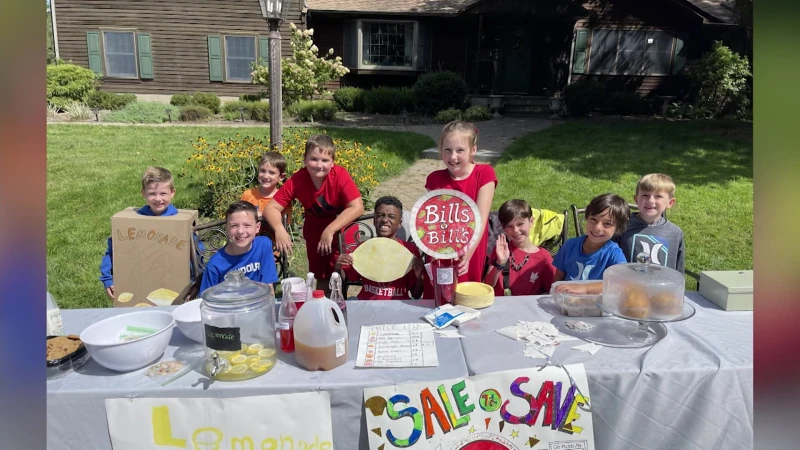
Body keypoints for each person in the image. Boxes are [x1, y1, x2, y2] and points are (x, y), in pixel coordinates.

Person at [265, 134, 364, 292]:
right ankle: (323, 309)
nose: (319, 165)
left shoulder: (340, 175)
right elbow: (271, 208)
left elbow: (357, 207)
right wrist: (279, 229)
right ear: (305, 159)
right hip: (316, 236)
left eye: (325, 160)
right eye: (314, 159)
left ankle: (342, 306)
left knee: (343, 276)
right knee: (322, 278)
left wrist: (330, 229)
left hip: (343, 233)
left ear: (332, 162)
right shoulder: (298, 179)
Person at [99, 166, 190, 299]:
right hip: (138, 283)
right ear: (143, 193)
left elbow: (195, 252)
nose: (158, 199)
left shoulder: (182, 224)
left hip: (174, 287)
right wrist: (108, 279)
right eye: (152, 193)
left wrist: (194, 280)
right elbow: (114, 251)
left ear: (172, 193)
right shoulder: (132, 223)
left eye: (163, 193)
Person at [424, 121, 497, 284]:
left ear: (473, 151)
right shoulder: (434, 179)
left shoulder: (484, 174)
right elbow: (431, 221)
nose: (453, 157)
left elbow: (481, 218)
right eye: (447, 150)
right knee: (439, 295)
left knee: (466, 296)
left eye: (460, 150)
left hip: (471, 248)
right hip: (440, 250)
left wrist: (467, 253)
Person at [334, 196, 424, 300]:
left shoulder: (409, 251)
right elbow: (348, 279)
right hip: (366, 304)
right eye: (380, 215)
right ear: (374, 220)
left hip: (399, 306)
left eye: (392, 216)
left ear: (400, 223)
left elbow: (416, 295)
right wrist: (338, 267)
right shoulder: (363, 248)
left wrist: (419, 276)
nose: (385, 220)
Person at [553, 193, 629, 295]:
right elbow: (558, 278)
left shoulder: (614, 254)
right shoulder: (569, 246)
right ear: (587, 218)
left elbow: (621, 283)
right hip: (566, 303)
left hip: (596, 307)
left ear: (618, 228)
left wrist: (585, 288)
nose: (597, 227)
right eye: (593, 220)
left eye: (607, 223)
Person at [199, 201, 278, 296]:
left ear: (257, 227)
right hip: (229, 308)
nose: (240, 231)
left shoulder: (263, 245)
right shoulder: (215, 265)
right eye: (234, 226)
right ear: (227, 228)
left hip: (259, 305)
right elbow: (206, 299)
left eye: (247, 225)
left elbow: (269, 289)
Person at [484, 200, 555, 296]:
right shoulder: (501, 250)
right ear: (503, 228)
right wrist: (499, 263)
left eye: (520, 224)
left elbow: (553, 292)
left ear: (531, 221)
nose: (516, 231)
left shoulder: (544, 258)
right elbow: (488, 285)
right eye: (509, 226)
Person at [617, 173, 685, 273]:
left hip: (661, 287)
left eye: (658, 196)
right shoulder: (622, 225)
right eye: (645, 195)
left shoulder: (675, 233)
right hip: (627, 286)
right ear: (636, 199)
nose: (651, 200)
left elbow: (679, 269)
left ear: (670, 203)